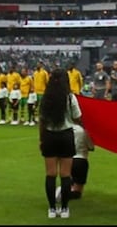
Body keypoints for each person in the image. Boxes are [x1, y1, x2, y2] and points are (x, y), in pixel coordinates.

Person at [39, 68, 81, 219]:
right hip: (65, 135)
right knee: (65, 175)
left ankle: (51, 209)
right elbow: (77, 117)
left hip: (49, 136)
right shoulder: (70, 97)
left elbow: (42, 121)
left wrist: (41, 139)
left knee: (50, 174)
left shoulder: (46, 98)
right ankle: (64, 209)